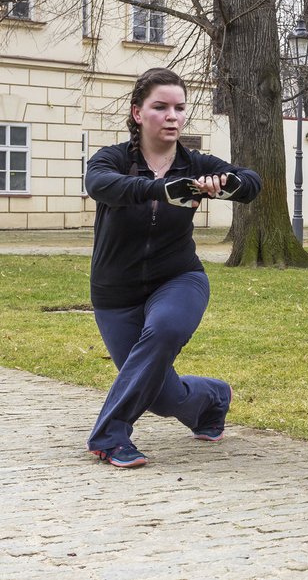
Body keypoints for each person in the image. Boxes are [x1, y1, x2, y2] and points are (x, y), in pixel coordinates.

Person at [85, 67, 262, 468]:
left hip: (179, 279)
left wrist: (227, 184)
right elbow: (100, 185)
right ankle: (214, 399)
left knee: (164, 329)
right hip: (116, 292)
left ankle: (109, 437)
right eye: (160, 107)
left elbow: (251, 182)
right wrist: (160, 189)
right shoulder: (113, 159)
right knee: (161, 397)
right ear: (137, 113)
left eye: (179, 108)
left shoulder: (194, 163)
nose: (172, 116)